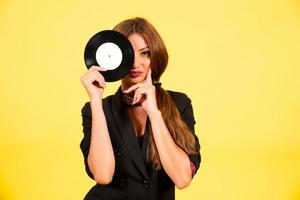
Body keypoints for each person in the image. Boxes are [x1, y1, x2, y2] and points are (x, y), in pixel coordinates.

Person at [79, 17, 201, 200]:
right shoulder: (96, 109)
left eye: (145, 53)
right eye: (128, 54)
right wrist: (96, 100)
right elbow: (103, 176)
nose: (136, 64)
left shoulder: (179, 103)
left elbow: (182, 178)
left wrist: (154, 112)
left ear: (156, 56)